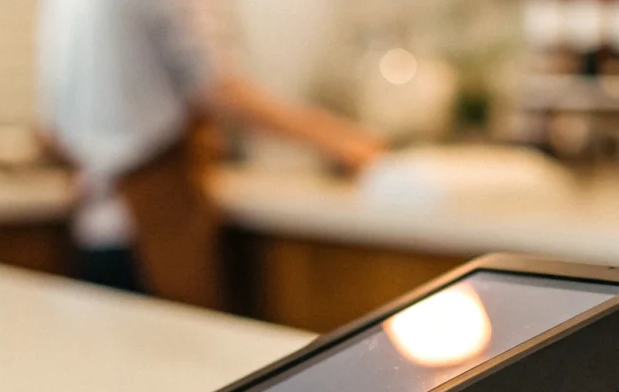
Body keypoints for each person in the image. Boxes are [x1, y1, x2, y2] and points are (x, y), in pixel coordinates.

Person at [38, 0, 384, 306]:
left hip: (94, 225)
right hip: (153, 229)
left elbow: (53, 129)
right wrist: (344, 141)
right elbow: (219, 88)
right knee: (175, 365)